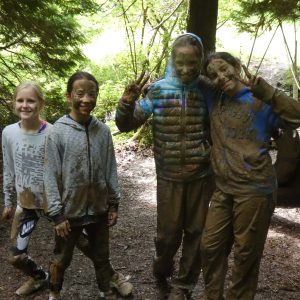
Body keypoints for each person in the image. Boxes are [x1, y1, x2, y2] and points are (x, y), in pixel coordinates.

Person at [115, 33, 214, 300]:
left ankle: (182, 286)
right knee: (168, 235)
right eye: (180, 61)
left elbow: (220, 123)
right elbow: (126, 124)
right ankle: (162, 263)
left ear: (200, 60)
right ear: (173, 58)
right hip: (168, 176)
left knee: (196, 233)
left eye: (192, 62)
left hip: (200, 175)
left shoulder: (207, 89)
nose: (185, 68)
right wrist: (126, 102)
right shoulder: (157, 91)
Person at [200, 51, 300, 300]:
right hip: (224, 188)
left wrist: (266, 91)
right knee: (210, 247)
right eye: (214, 74)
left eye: (224, 69)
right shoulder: (214, 99)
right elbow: (186, 74)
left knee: (246, 254)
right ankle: (213, 296)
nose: (221, 77)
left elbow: (297, 116)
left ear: (237, 66)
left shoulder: (261, 100)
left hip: (255, 189)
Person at [44, 71, 132, 300]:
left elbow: (110, 168)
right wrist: (56, 214)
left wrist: (114, 204)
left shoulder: (102, 131)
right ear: (68, 96)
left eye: (92, 94)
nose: (86, 99)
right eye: (80, 93)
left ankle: (106, 290)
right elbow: (50, 174)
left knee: (102, 255)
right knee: (62, 257)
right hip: (69, 210)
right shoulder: (57, 132)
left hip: (98, 208)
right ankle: (54, 293)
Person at [1, 81, 51, 296]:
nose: (25, 105)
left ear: (40, 103)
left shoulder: (53, 132)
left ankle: (110, 275)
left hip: (54, 202)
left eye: (30, 100)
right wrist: (8, 202)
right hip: (26, 203)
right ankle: (40, 277)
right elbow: (9, 168)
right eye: (20, 100)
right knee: (15, 256)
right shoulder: (9, 133)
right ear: (14, 103)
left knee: (83, 243)